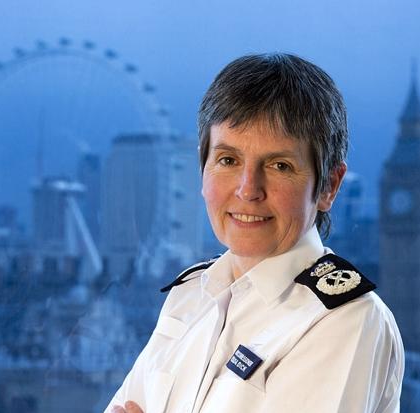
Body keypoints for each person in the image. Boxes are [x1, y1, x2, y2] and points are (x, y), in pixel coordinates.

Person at [106, 53, 404, 413]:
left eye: (279, 165)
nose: (248, 189)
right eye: (228, 160)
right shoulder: (189, 296)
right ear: (202, 170)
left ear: (329, 186)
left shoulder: (345, 322)